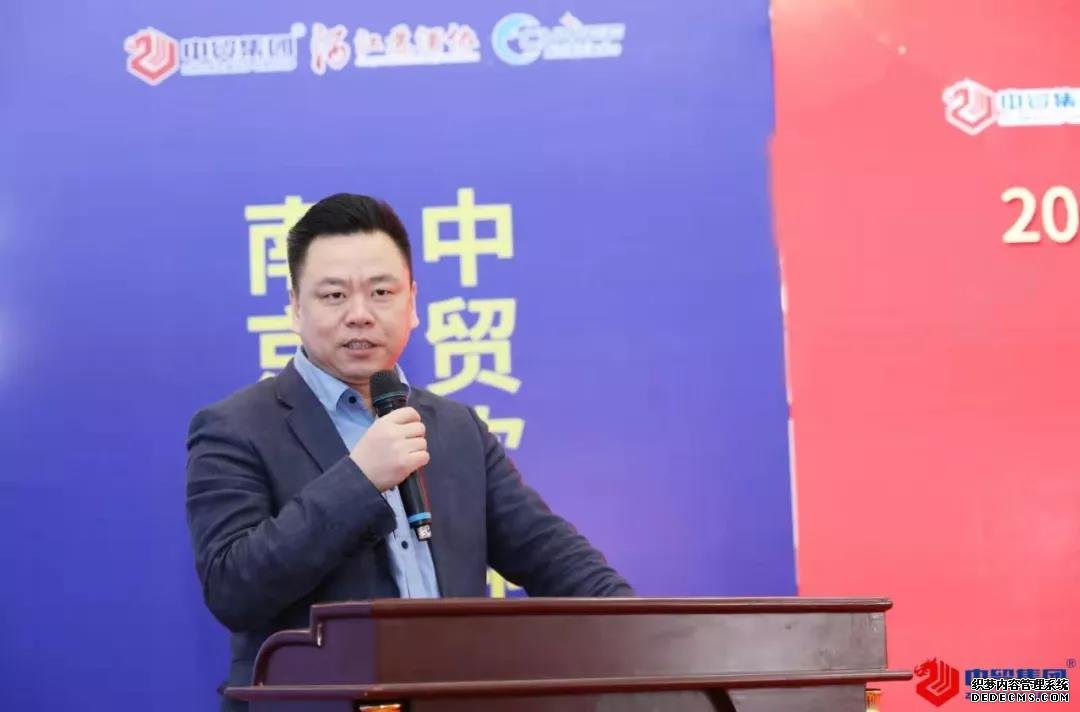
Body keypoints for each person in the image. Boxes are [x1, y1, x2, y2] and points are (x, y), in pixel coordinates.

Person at [185, 193, 633, 711]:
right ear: (295, 307)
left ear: (412, 302)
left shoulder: (456, 429)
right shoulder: (235, 428)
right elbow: (233, 589)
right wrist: (359, 479)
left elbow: (549, 554)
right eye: (334, 295)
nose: (359, 315)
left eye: (381, 292)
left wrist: (645, 629)